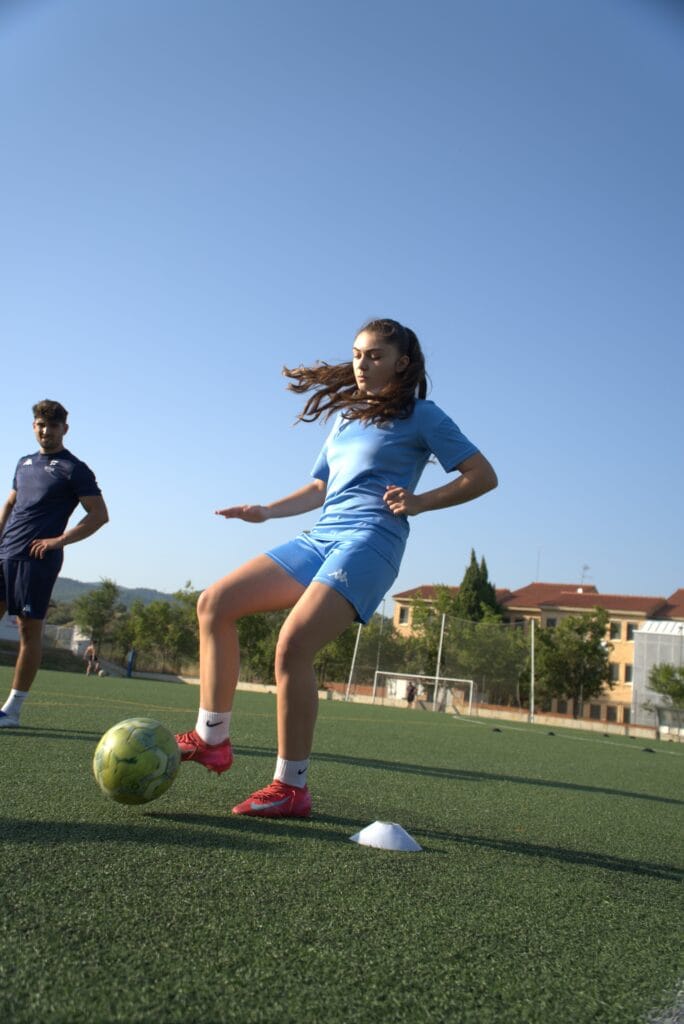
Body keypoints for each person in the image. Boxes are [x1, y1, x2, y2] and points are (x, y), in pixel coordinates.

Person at [176, 318, 497, 818]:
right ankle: (211, 737)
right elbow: (319, 489)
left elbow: (483, 475)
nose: (361, 364)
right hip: (321, 537)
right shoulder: (346, 419)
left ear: (402, 363)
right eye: (356, 354)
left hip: (371, 541)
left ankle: (290, 787)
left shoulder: (424, 416)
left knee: (293, 645)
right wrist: (264, 510)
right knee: (215, 603)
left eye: (374, 355)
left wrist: (420, 502)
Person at [0, 400, 109, 727]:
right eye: (39, 425)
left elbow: (100, 515)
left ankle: (12, 711)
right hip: (5, 554)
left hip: (37, 560)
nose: (45, 431)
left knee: (28, 633)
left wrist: (58, 540)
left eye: (52, 426)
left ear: (65, 429)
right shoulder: (23, 463)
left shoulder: (74, 469)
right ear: (34, 426)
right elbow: (10, 503)